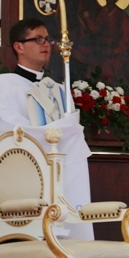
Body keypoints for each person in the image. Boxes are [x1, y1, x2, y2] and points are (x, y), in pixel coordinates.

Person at [0, 18, 93, 240]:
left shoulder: (58, 89)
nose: (46, 45)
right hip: (25, 179)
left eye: (48, 39)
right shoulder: (5, 85)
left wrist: (68, 128)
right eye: (38, 39)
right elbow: (13, 132)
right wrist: (65, 127)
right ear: (19, 46)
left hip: (63, 174)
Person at [83, 0, 129, 84]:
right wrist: (86, 15)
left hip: (115, 56)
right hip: (102, 50)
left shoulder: (122, 16)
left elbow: (125, 40)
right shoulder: (103, 12)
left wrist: (114, 51)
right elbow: (95, 29)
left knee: (108, 73)